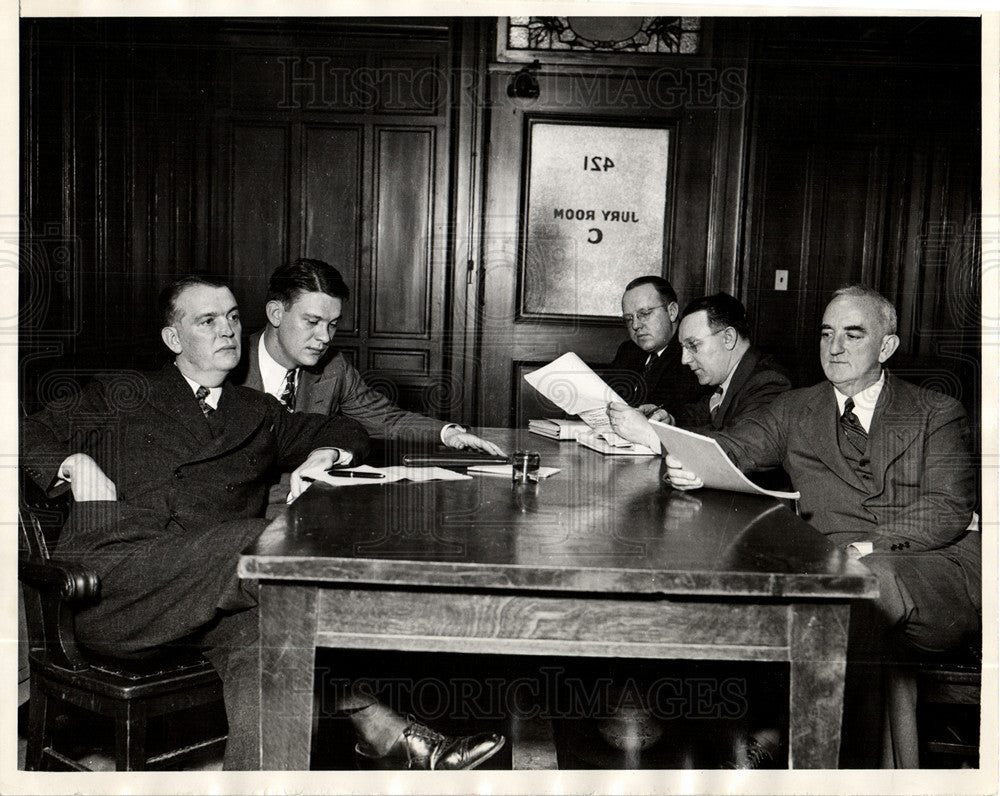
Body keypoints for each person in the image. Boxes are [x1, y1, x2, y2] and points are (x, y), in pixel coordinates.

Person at [20, 274, 504, 771]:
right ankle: (401, 674)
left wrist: (324, 454)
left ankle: (351, 750)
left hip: (207, 604)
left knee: (277, 641)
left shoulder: (256, 411)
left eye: (232, 317)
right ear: (173, 339)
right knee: (270, 540)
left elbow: (348, 426)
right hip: (116, 587)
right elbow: (22, 428)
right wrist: (72, 464)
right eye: (207, 321)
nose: (228, 330)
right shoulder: (126, 392)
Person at [665, 284, 980, 767]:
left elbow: (947, 509)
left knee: (872, 580)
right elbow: (734, 447)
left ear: (886, 346)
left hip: (931, 568)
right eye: (827, 334)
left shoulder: (935, 411)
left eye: (853, 335)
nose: (835, 348)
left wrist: (865, 546)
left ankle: (792, 740)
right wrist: (689, 461)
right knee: (832, 597)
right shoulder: (796, 408)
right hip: (837, 579)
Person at [234, 258, 504, 458]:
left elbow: (387, 419)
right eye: (313, 321)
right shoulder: (227, 366)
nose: (325, 337)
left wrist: (450, 434)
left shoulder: (334, 368)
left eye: (332, 324)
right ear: (276, 313)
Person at [609, 292, 791, 448]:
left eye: (693, 345)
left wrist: (651, 435)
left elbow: (737, 446)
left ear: (728, 338)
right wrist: (667, 419)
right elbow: (699, 418)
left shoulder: (769, 382)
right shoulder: (726, 379)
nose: (684, 359)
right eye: (683, 348)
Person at [605, 275, 707, 422]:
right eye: (629, 318)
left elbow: (689, 417)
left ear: (672, 311)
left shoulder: (692, 355)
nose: (635, 325)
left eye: (644, 314)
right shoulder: (628, 351)